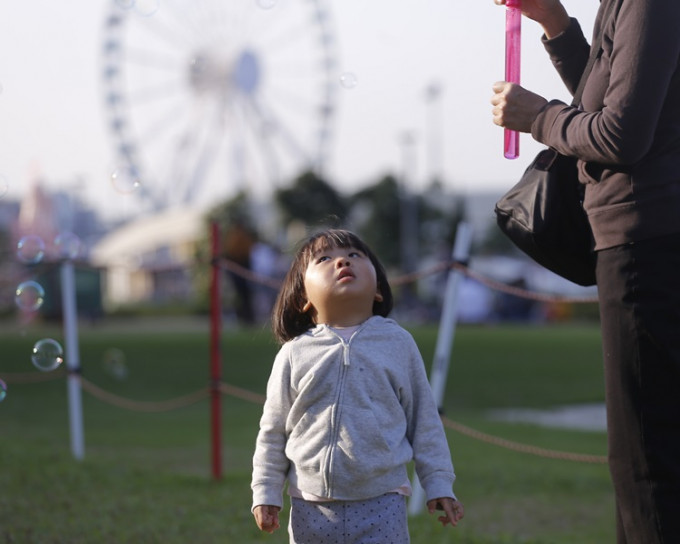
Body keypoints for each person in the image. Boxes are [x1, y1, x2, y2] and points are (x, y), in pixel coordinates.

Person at [490, 1, 680, 542]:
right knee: (647, 457)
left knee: (647, 464)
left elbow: (620, 136)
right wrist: (555, 24)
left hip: (648, 250)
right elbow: (615, 103)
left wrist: (540, 118)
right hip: (647, 245)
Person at [251, 229, 464, 542]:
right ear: (303, 299)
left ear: (378, 289)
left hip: (383, 502)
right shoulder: (294, 354)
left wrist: (439, 483)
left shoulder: (398, 343)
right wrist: (266, 492)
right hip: (310, 506)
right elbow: (273, 431)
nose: (342, 262)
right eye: (325, 259)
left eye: (354, 255)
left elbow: (424, 422)